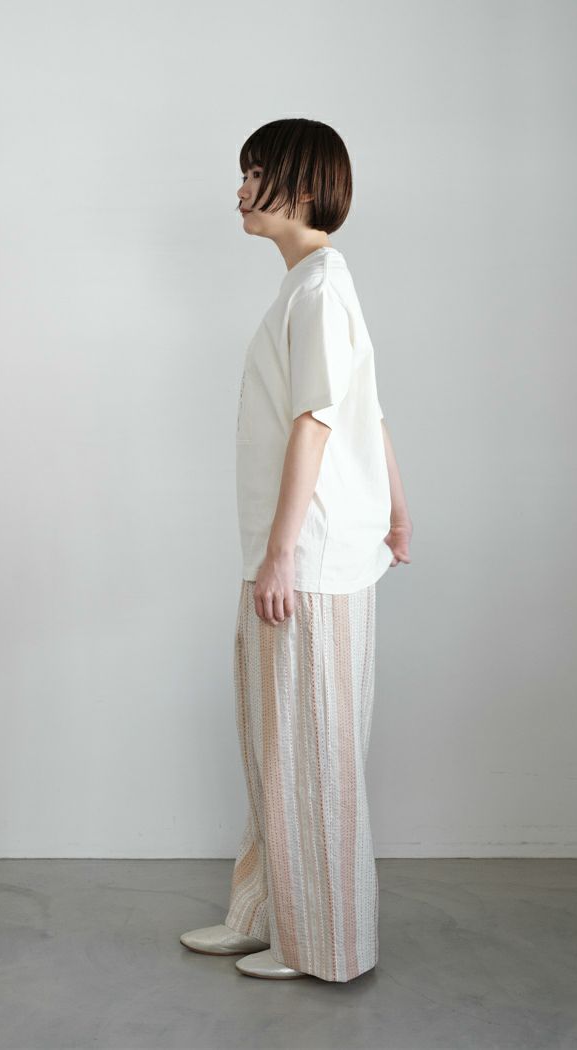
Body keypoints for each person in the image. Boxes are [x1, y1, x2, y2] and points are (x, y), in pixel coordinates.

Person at [181, 118, 412, 982]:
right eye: (242, 174)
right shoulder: (312, 287)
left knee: (310, 755)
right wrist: (399, 514)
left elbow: (319, 421)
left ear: (302, 188)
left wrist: (280, 556)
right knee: (277, 748)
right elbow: (368, 412)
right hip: (297, 554)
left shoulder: (318, 290)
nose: (240, 191)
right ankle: (262, 915)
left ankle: (325, 946)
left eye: (255, 174)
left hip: (304, 561)